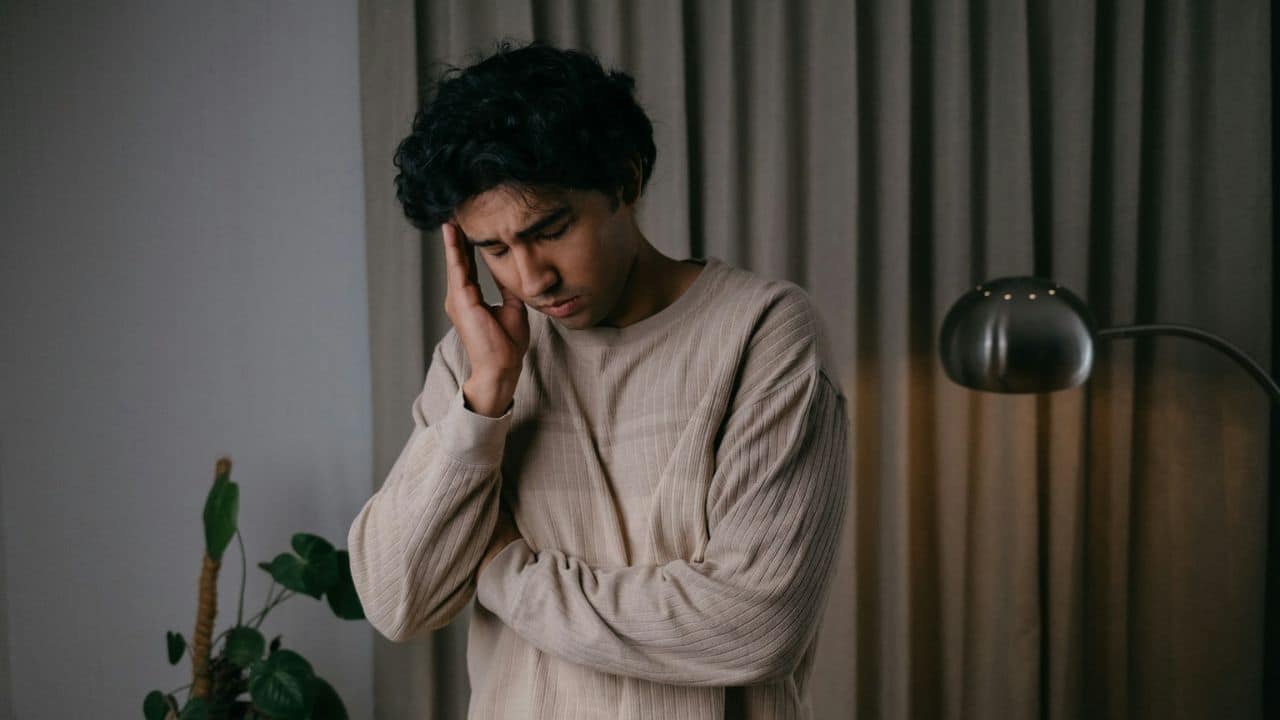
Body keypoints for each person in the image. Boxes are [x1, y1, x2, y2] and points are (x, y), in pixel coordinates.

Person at [347, 38, 850, 719]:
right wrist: (484, 399)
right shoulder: (478, 359)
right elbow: (394, 600)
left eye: (550, 229)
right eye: (493, 249)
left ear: (627, 179)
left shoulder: (761, 332)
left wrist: (502, 570)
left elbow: (754, 627)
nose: (530, 279)